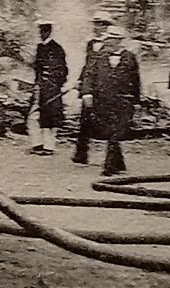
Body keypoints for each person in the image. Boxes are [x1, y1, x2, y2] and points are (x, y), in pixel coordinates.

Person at [80, 26, 140, 176]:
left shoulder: (130, 57)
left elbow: (135, 80)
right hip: (104, 100)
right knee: (111, 131)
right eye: (107, 39)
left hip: (123, 100)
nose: (107, 42)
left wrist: (137, 101)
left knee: (116, 131)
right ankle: (119, 164)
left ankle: (109, 167)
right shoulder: (98, 56)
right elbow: (88, 75)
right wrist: (87, 93)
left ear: (119, 41)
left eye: (111, 39)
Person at [72, 12, 113, 164]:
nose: (96, 28)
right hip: (90, 87)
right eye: (95, 24)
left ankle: (112, 158)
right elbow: (88, 64)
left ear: (106, 26)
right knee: (85, 119)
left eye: (99, 24)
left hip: (105, 87)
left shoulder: (111, 43)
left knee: (107, 120)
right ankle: (81, 154)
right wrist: (80, 80)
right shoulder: (91, 43)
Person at [28, 19, 68, 156]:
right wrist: (37, 83)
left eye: (44, 31)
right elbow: (37, 68)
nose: (42, 34)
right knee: (34, 115)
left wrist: (54, 84)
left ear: (49, 31)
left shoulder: (56, 48)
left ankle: (49, 146)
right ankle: (37, 144)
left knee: (51, 117)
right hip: (40, 86)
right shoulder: (40, 47)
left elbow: (62, 70)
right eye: (40, 31)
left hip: (51, 88)